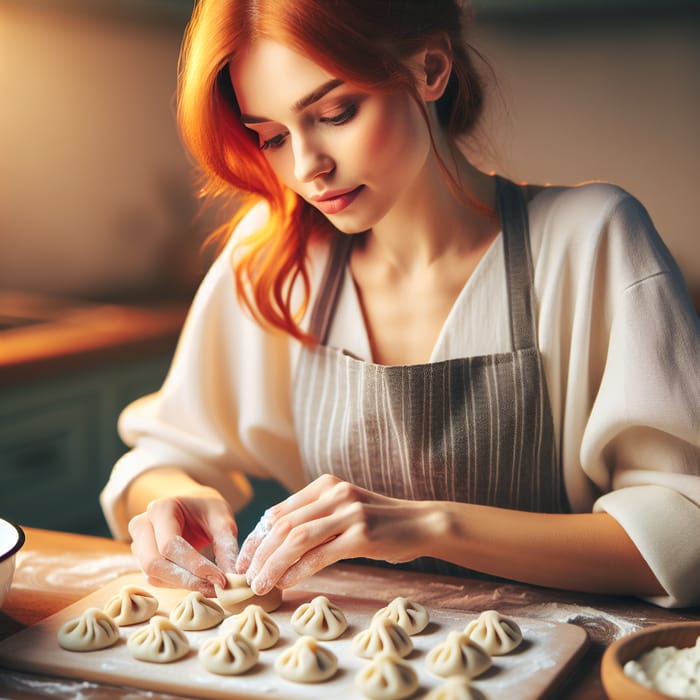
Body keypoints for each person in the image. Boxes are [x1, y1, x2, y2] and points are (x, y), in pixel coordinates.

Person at [100, 0, 700, 609]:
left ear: (430, 68)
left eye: (335, 113)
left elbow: (686, 536)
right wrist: (171, 496)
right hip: (342, 664)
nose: (309, 168)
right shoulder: (277, 258)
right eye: (273, 137)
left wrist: (423, 525)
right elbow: (161, 456)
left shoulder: (590, 238)